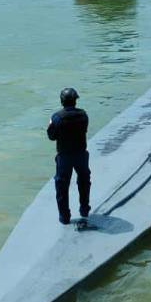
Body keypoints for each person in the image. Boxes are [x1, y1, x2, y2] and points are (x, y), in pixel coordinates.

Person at [47, 87, 90, 225]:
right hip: (81, 155)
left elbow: (51, 137)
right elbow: (84, 130)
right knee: (84, 181)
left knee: (62, 186)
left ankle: (65, 218)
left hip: (64, 157)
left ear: (62, 101)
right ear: (75, 101)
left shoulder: (57, 117)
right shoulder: (83, 115)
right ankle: (84, 210)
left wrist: (50, 125)